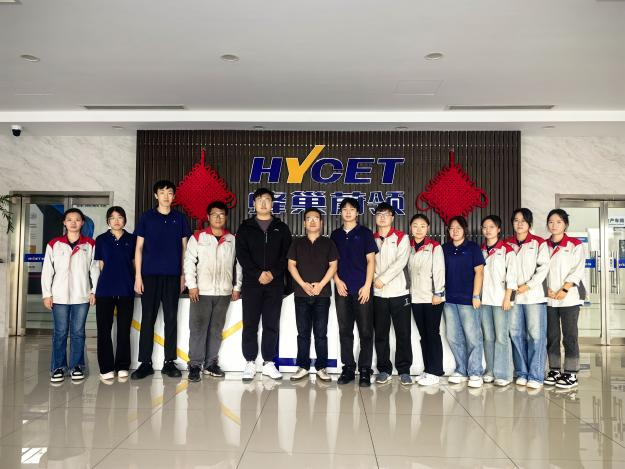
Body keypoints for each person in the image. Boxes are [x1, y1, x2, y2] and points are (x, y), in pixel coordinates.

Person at [132, 180, 192, 380]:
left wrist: (183, 275)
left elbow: (185, 249)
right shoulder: (147, 218)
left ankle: (169, 362)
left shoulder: (180, 218)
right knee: (147, 318)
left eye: (170, 193)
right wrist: (138, 276)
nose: (166, 196)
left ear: (174, 196)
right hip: (149, 275)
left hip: (173, 276)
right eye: (162, 192)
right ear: (156, 195)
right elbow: (138, 248)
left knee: (171, 319)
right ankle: (145, 363)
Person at [236, 188, 292, 381]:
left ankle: (269, 362)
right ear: (254, 203)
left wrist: (273, 273)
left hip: (274, 284)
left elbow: (287, 255)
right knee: (250, 323)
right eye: (259, 199)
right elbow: (242, 255)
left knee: (271, 323)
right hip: (252, 283)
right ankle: (250, 362)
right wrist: (258, 273)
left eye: (267, 199)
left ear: (272, 203)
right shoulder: (245, 228)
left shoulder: (281, 228)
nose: (263, 203)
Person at [184, 201, 242, 382]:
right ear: (208, 217)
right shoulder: (198, 237)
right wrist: (192, 285)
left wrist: (236, 287)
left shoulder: (232, 239)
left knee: (216, 330)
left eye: (222, 214)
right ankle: (195, 365)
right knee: (198, 329)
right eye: (214, 214)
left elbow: (239, 264)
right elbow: (189, 261)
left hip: (224, 293)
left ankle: (210, 364)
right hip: (201, 291)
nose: (218, 217)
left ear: (226, 217)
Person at [41, 208, 99, 383]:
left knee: (78, 332)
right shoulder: (54, 244)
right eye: (70, 220)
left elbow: (94, 269)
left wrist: (94, 291)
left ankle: (77, 367)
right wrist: (47, 294)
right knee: (60, 332)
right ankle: (58, 367)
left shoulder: (89, 244)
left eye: (77, 220)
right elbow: (47, 271)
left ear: (82, 223)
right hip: (58, 296)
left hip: (81, 296)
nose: (73, 223)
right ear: (64, 223)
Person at [330, 197, 378, 387]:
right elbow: (331, 263)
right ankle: (348, 368)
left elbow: (371, 261)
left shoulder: (365, 233)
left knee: (366, 331)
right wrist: (337, 280)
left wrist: (367, 286)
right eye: (345, 209)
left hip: (362, 290)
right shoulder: (335, 235)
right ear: (341, 213)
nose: (348, 212)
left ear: (357, 212)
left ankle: (365, 369)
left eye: (352, 209)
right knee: (345, 330)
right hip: (342, 289)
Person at [287, 207, 338, 382]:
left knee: (321, 333)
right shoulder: (297, 243)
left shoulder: (328, 243)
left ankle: (321, 367)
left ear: (321, 222)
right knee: (303, 333)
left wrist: (320, 285)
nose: (313, 221)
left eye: (316, 218)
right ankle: (303, 366)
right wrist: (303, 284)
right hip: (301, 295)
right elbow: (291, 265)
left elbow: (333, 266)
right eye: (309, 218)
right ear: (304, 223)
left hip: (322, 295)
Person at [504, 208, 549, 389]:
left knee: (536, 336)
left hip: (533, 297)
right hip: (513, 298)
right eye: (516, 220)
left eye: (523, 220)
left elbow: (543, 268)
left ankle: (536, 375)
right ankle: (522, 373)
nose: (519, 223)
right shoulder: (507, 243)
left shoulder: (538, 243)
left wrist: (527, 285)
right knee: (515, 334)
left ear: (529, 223)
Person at [442, 216, 486, 388]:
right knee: (453, 337)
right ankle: (461, 370)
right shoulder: (444, 248)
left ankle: (475, 372)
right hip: (449, 299)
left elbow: (479, 272)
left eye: (458, 228)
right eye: (452, 228)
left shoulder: (473, 248)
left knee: (473, 337)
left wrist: (476, 295)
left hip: (468, 300)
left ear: (464, 230)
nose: (455, 231)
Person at [372, 202, 412, 386]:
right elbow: (366, 262)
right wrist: (375, 279)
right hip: (378, 294)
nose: (382, 217)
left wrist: (382, 279)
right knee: (381, 334)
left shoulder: (402, 238)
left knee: (403, 333)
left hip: (399, 293)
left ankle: (404, 370)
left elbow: (401, 262)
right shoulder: (370, 239)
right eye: (379, 214)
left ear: (392, 217)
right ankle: (384, 370)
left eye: (386, 214)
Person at [94, 206, 136, 380]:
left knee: (124, 330)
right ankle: (106, 367)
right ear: (108, 221)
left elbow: (134, 263)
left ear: (125, 220)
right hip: (105, 290)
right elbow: (100, 265)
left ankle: (123, 365)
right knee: (104, 329)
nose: (116, 221)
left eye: (120, 217)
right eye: (112, 218)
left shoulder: (132, 239)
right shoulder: (101, 239)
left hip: (126, 289)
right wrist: (94, 289)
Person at [545, 209, 585, 389]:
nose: (554, 225)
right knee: (552, 336)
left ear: (565, 224)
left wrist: (565, 288)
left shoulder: (575, 244)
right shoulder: (543, 245)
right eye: (551, 222)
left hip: (569, 297)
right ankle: (554, 370)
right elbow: (540, 269)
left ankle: (571, 372)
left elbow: (578, 269)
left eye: (558, 222)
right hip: (549, 297)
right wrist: (546, 289)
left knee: (569, 336)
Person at [407, 214, 445, 386]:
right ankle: (428, 369)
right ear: (411, 228)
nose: (419, 229)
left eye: (422, 226)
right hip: (415, 297)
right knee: (424, 335)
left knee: (432, 334)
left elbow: (439, 271)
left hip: (432, 297)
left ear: (428, 228)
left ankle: (436, 371)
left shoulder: (434, 247)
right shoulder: (408, 246)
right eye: (415, 225)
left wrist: (438, 293)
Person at [479, 215, 517, 387]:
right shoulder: (480, 250)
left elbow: (512, 276)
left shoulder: (507, 250)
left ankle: (503, 374)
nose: (488, 230)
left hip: (502, 299)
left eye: (492, 227)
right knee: (488, 337)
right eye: (485, 227)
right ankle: (490, 371)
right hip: (484, 300)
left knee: (501, 337)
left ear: (499, 229)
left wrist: (508, 297)